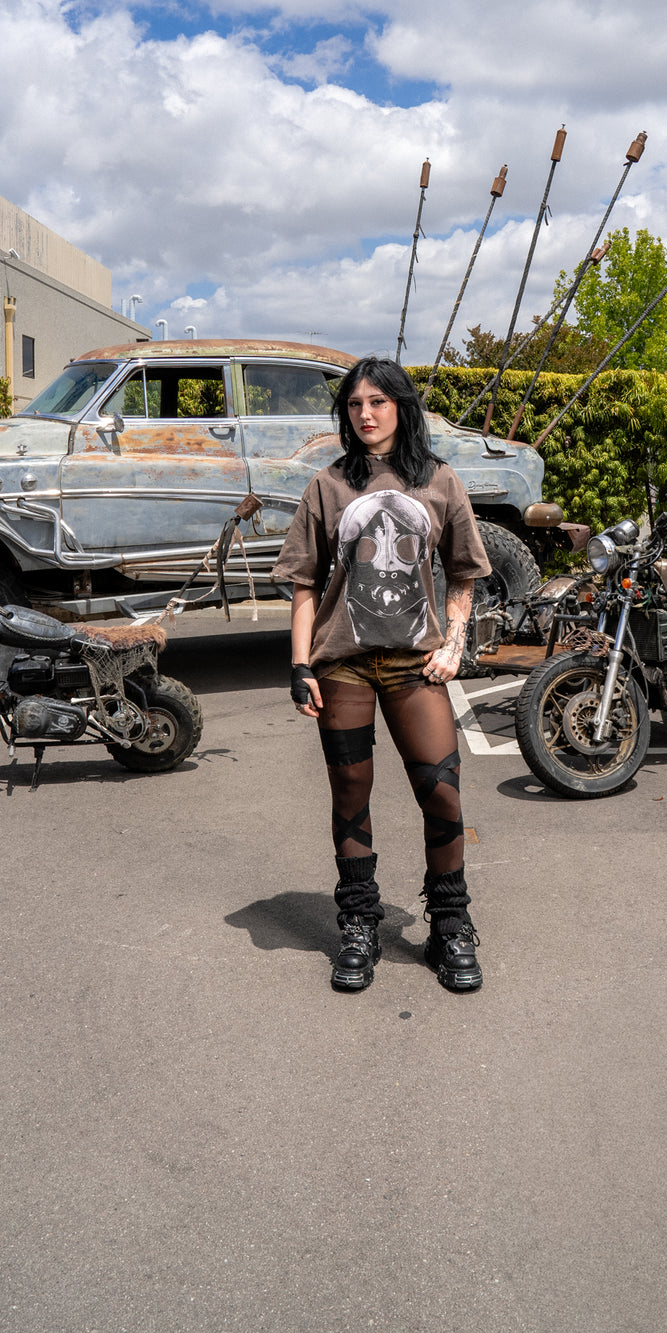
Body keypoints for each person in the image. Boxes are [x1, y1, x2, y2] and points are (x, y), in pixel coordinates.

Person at [272, 356, 493, 993]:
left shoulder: (440, 481)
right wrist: (299, 664)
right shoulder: (328, 486)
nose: (365, 415)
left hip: (414, 664)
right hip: (342, 665)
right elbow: (306, 586)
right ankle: (359, 925)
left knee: (442, 794)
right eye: (354, 405)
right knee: (351, 799)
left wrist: (454, 645)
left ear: (402, 406)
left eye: (378, 402)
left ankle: (450, 924)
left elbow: (464, 575)